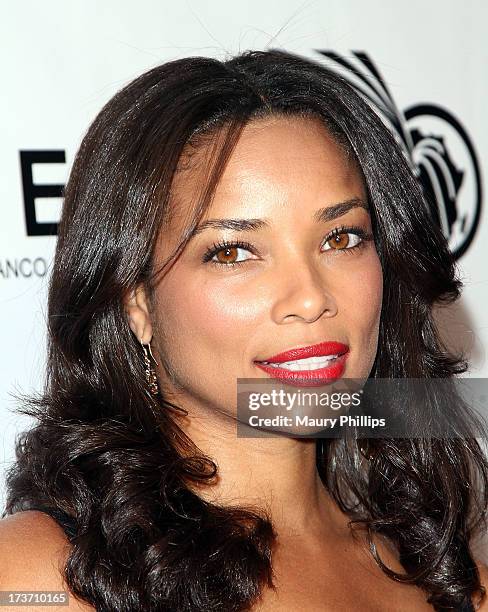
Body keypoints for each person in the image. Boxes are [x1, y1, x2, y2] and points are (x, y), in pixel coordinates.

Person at [0, 48, 487, 611]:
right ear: (135, 299)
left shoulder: (452, 585)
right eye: (233, 252)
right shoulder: (38, 580)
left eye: (342, 239)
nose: (309, 297)